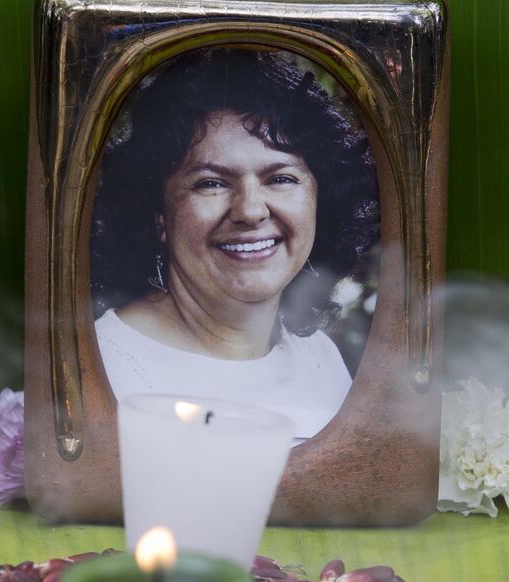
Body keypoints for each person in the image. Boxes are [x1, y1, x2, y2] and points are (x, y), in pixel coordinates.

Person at [90, 47, 380, 441]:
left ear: (320, 201)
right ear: (157, 214)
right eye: (211, 182)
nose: (250, 210)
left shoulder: (318, 358)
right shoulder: (108, 365)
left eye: (280, 178)